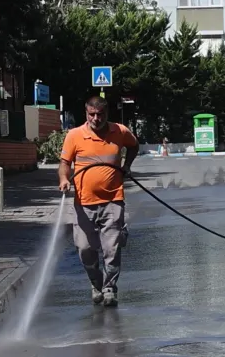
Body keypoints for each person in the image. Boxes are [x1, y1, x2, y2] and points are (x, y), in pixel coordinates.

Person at [58, 96, 139, 307]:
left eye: (100, 114)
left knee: (111, 249)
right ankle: (96, 283)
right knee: (85, 248)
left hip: (113, 199)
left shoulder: (120, 132)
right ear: (86, 113)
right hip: (83, 202)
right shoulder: (74, 135)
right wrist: (64, 179)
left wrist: (127, 166)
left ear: (106, 113)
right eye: (92, 114)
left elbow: (134, 146)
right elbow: (65, 162)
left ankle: (110, 287)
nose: (96, 118)